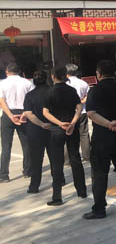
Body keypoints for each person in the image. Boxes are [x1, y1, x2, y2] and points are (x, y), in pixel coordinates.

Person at [83, 60, 116, 219]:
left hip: (102, 137)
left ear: (98, 74)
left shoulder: (95, 91)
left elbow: (91, 113)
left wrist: (108, 124)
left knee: (99, 172)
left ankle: (99, 208)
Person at [43, 66, 87, 206]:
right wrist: (72, 123)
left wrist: (60, 123)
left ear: (53, 76)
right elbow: (79, 107)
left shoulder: (49, 92)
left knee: (57, 163)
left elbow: (45, 112)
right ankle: (82, 190)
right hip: (71, 128)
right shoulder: (71, 90)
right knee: (75, 158)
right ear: (65, 76)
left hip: (56, 129)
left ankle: (57, 197)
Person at [0, 62, 33, 182]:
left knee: (6, 146)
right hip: (24, 113)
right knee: (26, 144)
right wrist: (25, 113)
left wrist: (10, 115)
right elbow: (32, 99)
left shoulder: (2, 83)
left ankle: (4, 175)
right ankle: (27, 171)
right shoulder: (27, 83)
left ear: (7, 71)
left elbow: (2, 101)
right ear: (19, 71)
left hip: (8, 114)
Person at [21, 71, 51, 194]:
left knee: (36, 160)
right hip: (52, 127)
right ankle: (60, 180)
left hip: (35, 130)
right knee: (55, 157)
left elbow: (29, 114)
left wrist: (41, 124)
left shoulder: (30, 95)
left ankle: (34, 186)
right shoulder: (52, 92)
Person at [66, 64, 91, 162]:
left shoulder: (65, 84)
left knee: (68, 134)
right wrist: (81, 102)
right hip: (82, 111)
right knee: (84, 134)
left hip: (69, 112)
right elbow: (88, 95)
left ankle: (68, 159)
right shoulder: (83, 83)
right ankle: (87, 156)